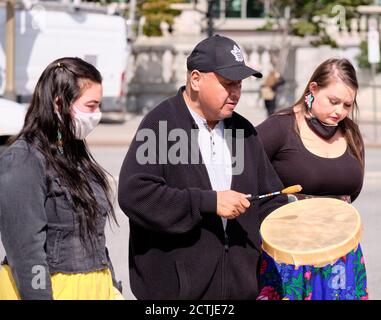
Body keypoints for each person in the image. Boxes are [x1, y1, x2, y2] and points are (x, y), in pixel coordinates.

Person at [118, 34, 288, 300]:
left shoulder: (243, 131)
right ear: (195, 79)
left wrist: (294, 218)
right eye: (227, 83)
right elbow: (135, 194)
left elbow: (269, 199)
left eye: (239, 85)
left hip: (240, 289)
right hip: (176, 294)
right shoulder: (161, 125)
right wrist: (207, 202)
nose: (235, 93)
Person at [0, 57, 123, 300]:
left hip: (95, 289)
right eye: (91, 106)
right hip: (53, 291)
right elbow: (26, 252)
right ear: (59, 103)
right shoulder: (24, 160)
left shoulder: (75, 154)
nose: (97, 115)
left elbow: (93, 236)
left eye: (99, 106)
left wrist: (113, 288)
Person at [255, 58, 368, 300]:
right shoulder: (280, 127)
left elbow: (353, 191)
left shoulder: (351, 134)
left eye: (347, 105)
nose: (339, 111)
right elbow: (243, 174)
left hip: (341, 255)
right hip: (290, 256)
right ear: (313, 89)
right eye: (333, 101)